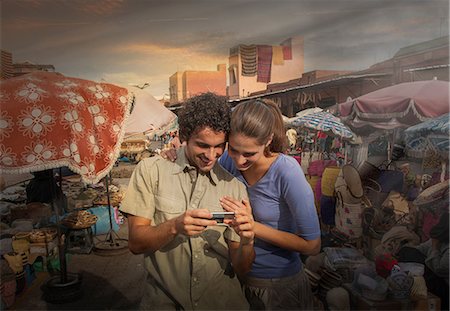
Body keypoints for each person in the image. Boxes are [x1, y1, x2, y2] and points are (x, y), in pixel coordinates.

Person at [162, 98, 321, 310]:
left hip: (278, 286)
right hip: (235, 281)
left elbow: (313, 246)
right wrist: (174, 155)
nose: (239, 161)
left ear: (268, 140)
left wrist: (252, 227)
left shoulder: (287, 173)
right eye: (233, 149)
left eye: (249, 154)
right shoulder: (228, 162)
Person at [119, 92, 255, 310]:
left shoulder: (234, 187)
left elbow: (242, 269)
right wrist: (174, 226)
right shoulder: (151, 171)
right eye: (202, 145)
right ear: (184, 136)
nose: (211, 155)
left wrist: (248, 240)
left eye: (219, 146)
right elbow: (136, 243)